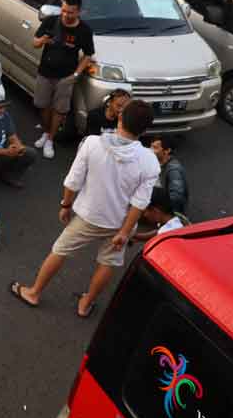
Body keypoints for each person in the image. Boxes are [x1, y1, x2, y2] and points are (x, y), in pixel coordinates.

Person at [11, 100, 160, 318]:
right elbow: (140, 203)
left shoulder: (92, 143)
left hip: (89, 215)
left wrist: (66, 205)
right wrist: (124, 232)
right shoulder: (149, 161)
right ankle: (85, 304)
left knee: (60, 249)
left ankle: (34, 292)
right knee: (108, 262)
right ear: (146, 129)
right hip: (120, 222)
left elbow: (72, 182)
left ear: (120, 118)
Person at [32, 0, 95, 160]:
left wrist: (75, 74)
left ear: (79, 12)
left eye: (70, 13)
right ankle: (46, 132)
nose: (66, 15)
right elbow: (35, 43)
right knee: (42, 104)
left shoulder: (84, 30)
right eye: (64, 11)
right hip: (45, 72)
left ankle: (50, 139)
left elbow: (88, 55)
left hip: (66, 77)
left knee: (59, 110)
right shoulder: (51, 22)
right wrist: (44, 40)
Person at [149, 134, 188, 214]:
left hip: (168, 212)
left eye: (155, 148)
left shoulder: (174, 170)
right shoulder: (157, 161)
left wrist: (153, 195)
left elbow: (176, 198)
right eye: (151, 146)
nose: (151, 150)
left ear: (167, 151)